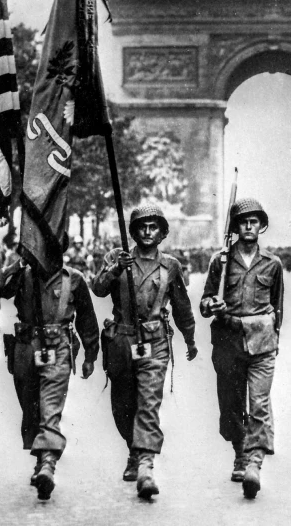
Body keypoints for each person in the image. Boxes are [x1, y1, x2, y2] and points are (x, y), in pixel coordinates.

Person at [93, 205, 198, 500]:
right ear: (134, 231)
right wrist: (116, 269)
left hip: (155, 342)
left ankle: (146, 466)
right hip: (121, 341)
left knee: (148, 402)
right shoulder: (117, 257)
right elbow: (98, 289)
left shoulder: (171, 266)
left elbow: (181, 306)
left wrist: (189, 338)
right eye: (142, 226)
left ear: (162, 232)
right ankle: (134, 451)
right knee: (123, 405)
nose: (147, 232)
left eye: (153, 227)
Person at [0, 244, 100, 501]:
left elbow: (87, 318)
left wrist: (90, 354)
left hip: (59, 348)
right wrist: (19, 264)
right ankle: (41, 459)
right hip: (26, 349)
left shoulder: (73, 279)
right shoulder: (23, 274)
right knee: (31, 408)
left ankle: (48, 464)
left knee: (50, 407)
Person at [200, 197, 284, 500]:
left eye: (254, 221)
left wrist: (276, 342)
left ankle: (253, 463)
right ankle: (239, 450)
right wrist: (212, 303)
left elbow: (278, 307)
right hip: (228, 341)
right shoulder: (219, 261)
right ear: (235, 226)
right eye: (243, 221)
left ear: (261, 226)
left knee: (259, 403)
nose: (249, 226)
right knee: (231, 403)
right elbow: (205, 301)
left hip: (262, 342)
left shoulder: (273, 264)